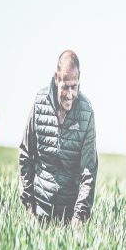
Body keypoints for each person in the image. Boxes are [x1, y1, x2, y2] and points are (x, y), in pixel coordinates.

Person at [19, 50, 98, 223]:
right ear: (57, 78)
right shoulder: (39, 102)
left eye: (74, 86)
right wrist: (29, 206)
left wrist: (79, 217)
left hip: (70, 215)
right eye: (65, 87)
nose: (70, 94)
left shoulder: (87, 112)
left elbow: (88, 172)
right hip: (39, 209)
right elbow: (26, 155)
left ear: (80, 79)